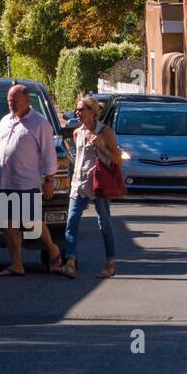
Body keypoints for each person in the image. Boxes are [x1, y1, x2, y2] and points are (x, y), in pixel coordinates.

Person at [0, 84, 62, 276]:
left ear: (26, 100)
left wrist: (49, 179)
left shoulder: (39, 123)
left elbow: (49, 154)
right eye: (9, 101)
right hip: (4, 181)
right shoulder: (5, 121)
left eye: (15, 101)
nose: (11, 104)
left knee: (30, 221)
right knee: (7, 224)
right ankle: (17, 264)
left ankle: (52, 248)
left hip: (26, 182)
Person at [60, 95, 121, 279]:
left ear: (93, 113)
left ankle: (110, 263)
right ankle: (70, 262)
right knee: (71, 222)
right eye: (76, 109)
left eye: (81, 109)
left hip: (98, 184)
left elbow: (118, 159)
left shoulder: (105, 132)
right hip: (78, 184)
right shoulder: (77, 133)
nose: (77, 113)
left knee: (104, 223)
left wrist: (101, 145)